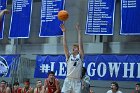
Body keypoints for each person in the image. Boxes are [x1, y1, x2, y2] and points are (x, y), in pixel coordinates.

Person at [60, 23, 84, 93]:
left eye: (75, 48)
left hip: (77, 81)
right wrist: (64, 32)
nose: (73, 49)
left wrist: (79, 32)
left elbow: (81, 44)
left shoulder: (80, 56)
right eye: (73, 48)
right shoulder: (68, 56)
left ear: (78, 50)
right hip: (68, 80)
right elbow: (64, 45)